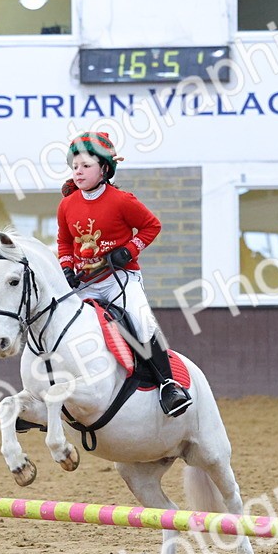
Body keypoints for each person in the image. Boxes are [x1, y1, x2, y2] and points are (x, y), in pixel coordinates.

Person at [56, 131, 191, 417]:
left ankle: (168, 385)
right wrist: (66, 266)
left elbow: (151, 226)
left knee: (142, 322)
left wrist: (128, 251)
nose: (78, 172)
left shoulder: (122, 201)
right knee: (59, 321)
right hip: (86, 282)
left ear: (105, 168)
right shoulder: (67, 204)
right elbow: (64, 242)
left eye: (86, 166)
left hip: (121, 278)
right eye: (75, 166)